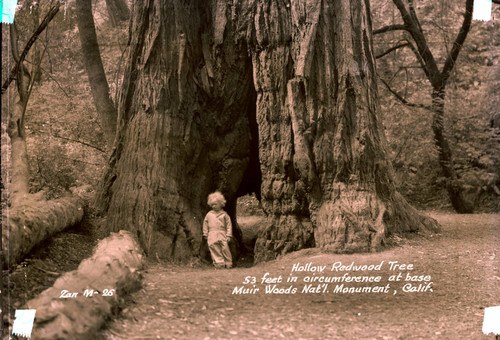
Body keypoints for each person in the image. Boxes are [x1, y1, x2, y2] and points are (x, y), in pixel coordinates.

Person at [203, 191, 233, 269]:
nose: (214, 206)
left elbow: (229, 225)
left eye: (215, 204)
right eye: (212, 205)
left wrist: (229, 235)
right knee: (213, 247)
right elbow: (205, 224)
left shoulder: (224, 215)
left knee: (225, 248)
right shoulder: (209, 215)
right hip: (212, 233)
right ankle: (219, 263)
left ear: (221, 204)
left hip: (222, 233)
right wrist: (205, 233)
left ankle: (228, 262)